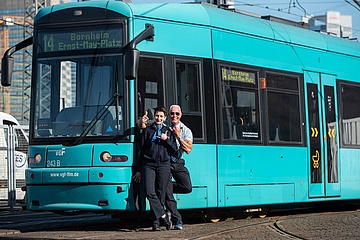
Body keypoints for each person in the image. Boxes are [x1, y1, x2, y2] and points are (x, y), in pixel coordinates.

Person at [139, 104, 193, 230]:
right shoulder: (165, 124)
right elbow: (149, 129)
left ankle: (163, 188)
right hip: (164, 162)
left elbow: (188, 149)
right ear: (168, 115)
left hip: (176, 162)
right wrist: (142, 124)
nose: (174, 116)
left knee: (186, 187)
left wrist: (178, 136)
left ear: (181, 115)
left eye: (177, 114)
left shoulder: (185, 130)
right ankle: (174, 219)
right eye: (172, 113)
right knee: (165, 193)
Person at [133, 106, 177, 231]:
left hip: (164, 165)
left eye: (161, 116)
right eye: (157, 116)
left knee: (160, 193)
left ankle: (156, 223)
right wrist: (139, 170)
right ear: (154, 117)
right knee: (149, 191)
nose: (158, 118)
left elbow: (174, 149)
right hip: (148, 165)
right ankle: (163, 215)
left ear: (165, 118)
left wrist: (166, 140)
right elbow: (141, 151)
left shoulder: (168, 131)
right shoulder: (147, 131)